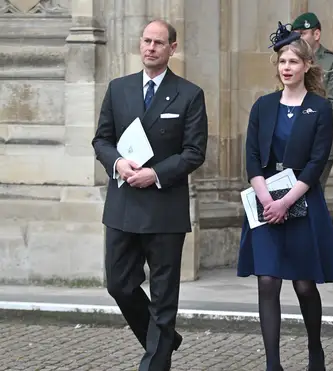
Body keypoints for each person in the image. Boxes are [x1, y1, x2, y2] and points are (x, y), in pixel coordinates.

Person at [91, 19, 208, 371]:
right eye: (146, 41)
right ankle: (165, 340)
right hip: (123, 204)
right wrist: (117, 164)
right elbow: (101, 139)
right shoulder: (119, 88)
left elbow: (194, 152)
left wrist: (155, 173)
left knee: (163, 297)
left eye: (159, 42)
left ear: (172, 48)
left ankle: (155, 363)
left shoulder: (189, 94)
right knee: (119, 284)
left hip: (164, 209)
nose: (151, 48)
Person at [236, 22, 333, 371]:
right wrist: (266, 198)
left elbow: (317, 162)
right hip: (265, 200)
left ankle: (315, 349)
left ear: (306, 66)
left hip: (303, 200)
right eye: (282, 61)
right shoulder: (263, 106)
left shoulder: (319, 108)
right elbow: (252, 158)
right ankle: (273, 364)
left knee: (303, 285)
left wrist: (286, 201)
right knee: (268, 281)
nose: (287, 67)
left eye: (293, 62)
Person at [291, 12, 333, 252]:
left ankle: (314, 245)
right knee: (301, 191)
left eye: (303, 34)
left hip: (323, 139)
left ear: (316, 34)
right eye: (296, 35)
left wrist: (305, 118)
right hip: (294, 137)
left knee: (312, 189)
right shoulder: (291, 59)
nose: (299, 39)